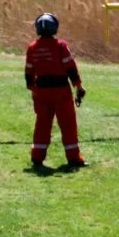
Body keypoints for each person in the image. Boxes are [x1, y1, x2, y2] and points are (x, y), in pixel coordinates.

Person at [25, 13, 88, 168]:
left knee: (42, 125)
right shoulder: (60, 46)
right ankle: (73, 158)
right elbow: (70, 67)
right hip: (61, 91)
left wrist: (34, 89)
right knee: (68, 125)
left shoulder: (32, 48)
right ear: (55, 28)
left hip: (41, 91)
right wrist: (78, 86)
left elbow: (28, 72)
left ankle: (37, 157)